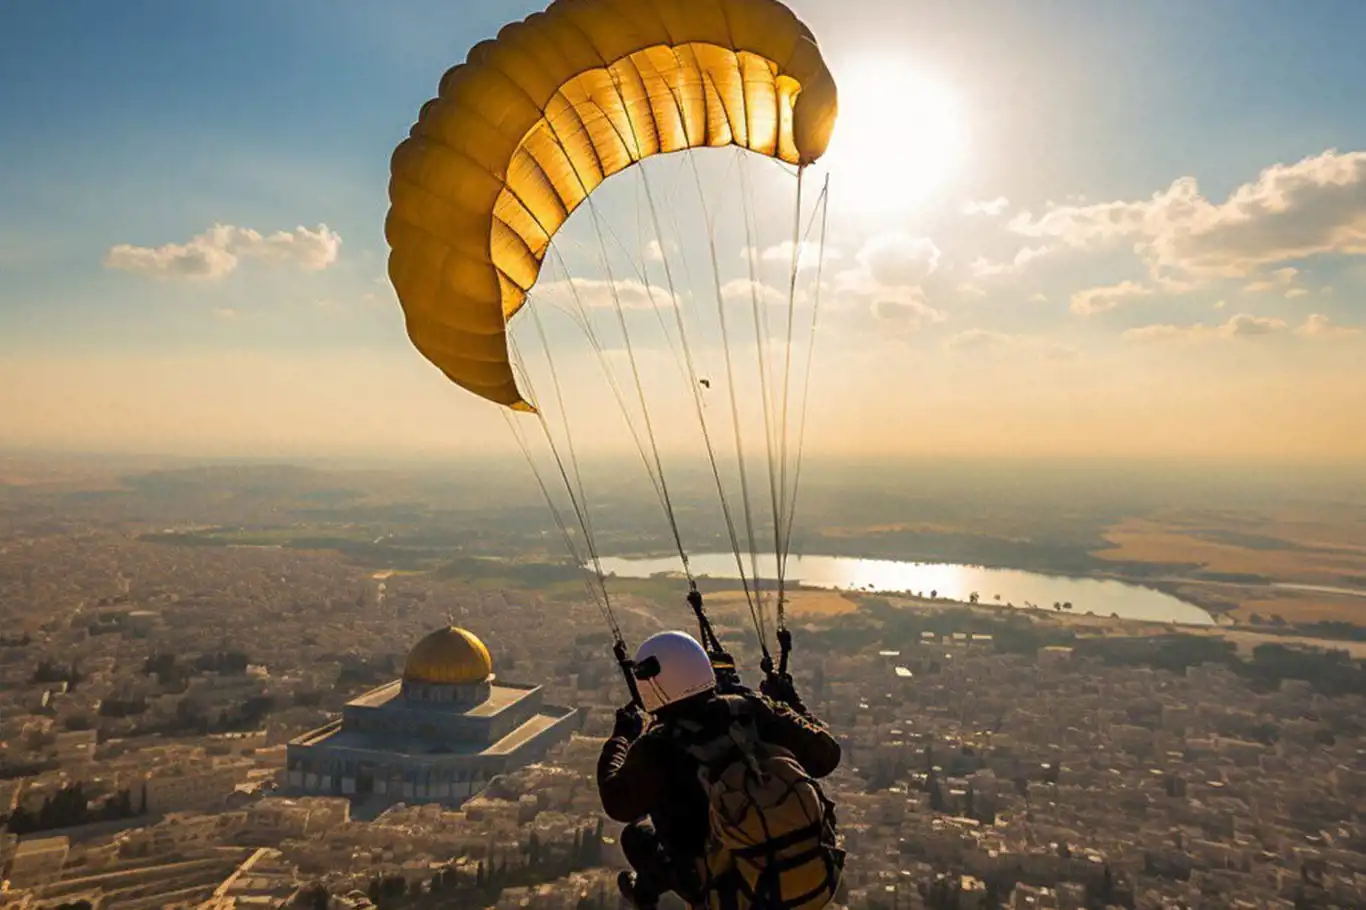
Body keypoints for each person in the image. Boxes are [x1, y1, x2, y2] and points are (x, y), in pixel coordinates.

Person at [597, 631, 841, 909]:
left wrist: (621, 737)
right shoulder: (752, 709)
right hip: (812, 873)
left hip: (727, 888)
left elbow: (616, 803)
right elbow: (827, 755)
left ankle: (647, 895)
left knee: (637, 836)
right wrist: (790, 702)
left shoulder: (657, 748)